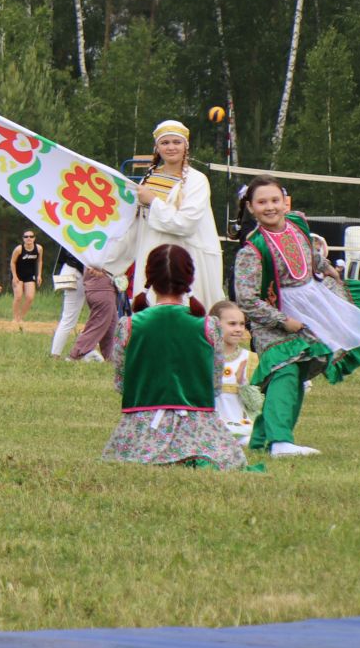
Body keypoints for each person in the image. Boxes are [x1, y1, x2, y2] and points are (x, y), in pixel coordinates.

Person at [231, 175, 360, 458]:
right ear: (250, 207)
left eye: (275, 200)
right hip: (274, 318)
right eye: (262, 202)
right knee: (284, 368)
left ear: (285, 202)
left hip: (311, 305)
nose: (270, 207)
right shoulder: (252, 250)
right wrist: (284, 321)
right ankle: (280, 442)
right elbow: (247, 299)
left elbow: (307, 252)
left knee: (296, 371)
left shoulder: (297, 224)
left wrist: (325, 265)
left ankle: (261, 438)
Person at [101, 244, 243, 470]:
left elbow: (121, 382)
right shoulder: (207, 325)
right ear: (189, 278)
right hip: (198, 427)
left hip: (141, 430)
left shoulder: (129, 325)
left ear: (149, 277)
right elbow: (214, 383)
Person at [99, 119, 226, 312]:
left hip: (187, 259)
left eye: (177, 142)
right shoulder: (147, 180)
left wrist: (153, 202)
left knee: (189, 315)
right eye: (165, 143)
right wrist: (105, 262)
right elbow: (135, 228)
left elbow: (185, 223)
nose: (171, 147)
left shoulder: (197, 180)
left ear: (186, 146)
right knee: (153, 312)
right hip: (152, 256)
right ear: (157, 147)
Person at [212, 300, 261, 442]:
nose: (239, 329)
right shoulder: (205, 358)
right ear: (215, 325)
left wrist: (242, 384)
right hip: (213, 425)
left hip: (242, 426)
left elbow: (256, 405)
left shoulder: (251, 360)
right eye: (232, 324)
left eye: (242, 324)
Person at [9, 231, 43, 323]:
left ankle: (21, 317)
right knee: (18, 296)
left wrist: (39, 275)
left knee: (30, 297)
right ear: (23, 238)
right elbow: (12, 262)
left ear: (34, 238)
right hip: (18, 274)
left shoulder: (39, 248)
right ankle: (15, 318)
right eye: (26, 236)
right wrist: (14, 276)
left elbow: (40, 261)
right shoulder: (19, 249)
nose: (29, 238)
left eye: (31, 236)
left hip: (29, 275)